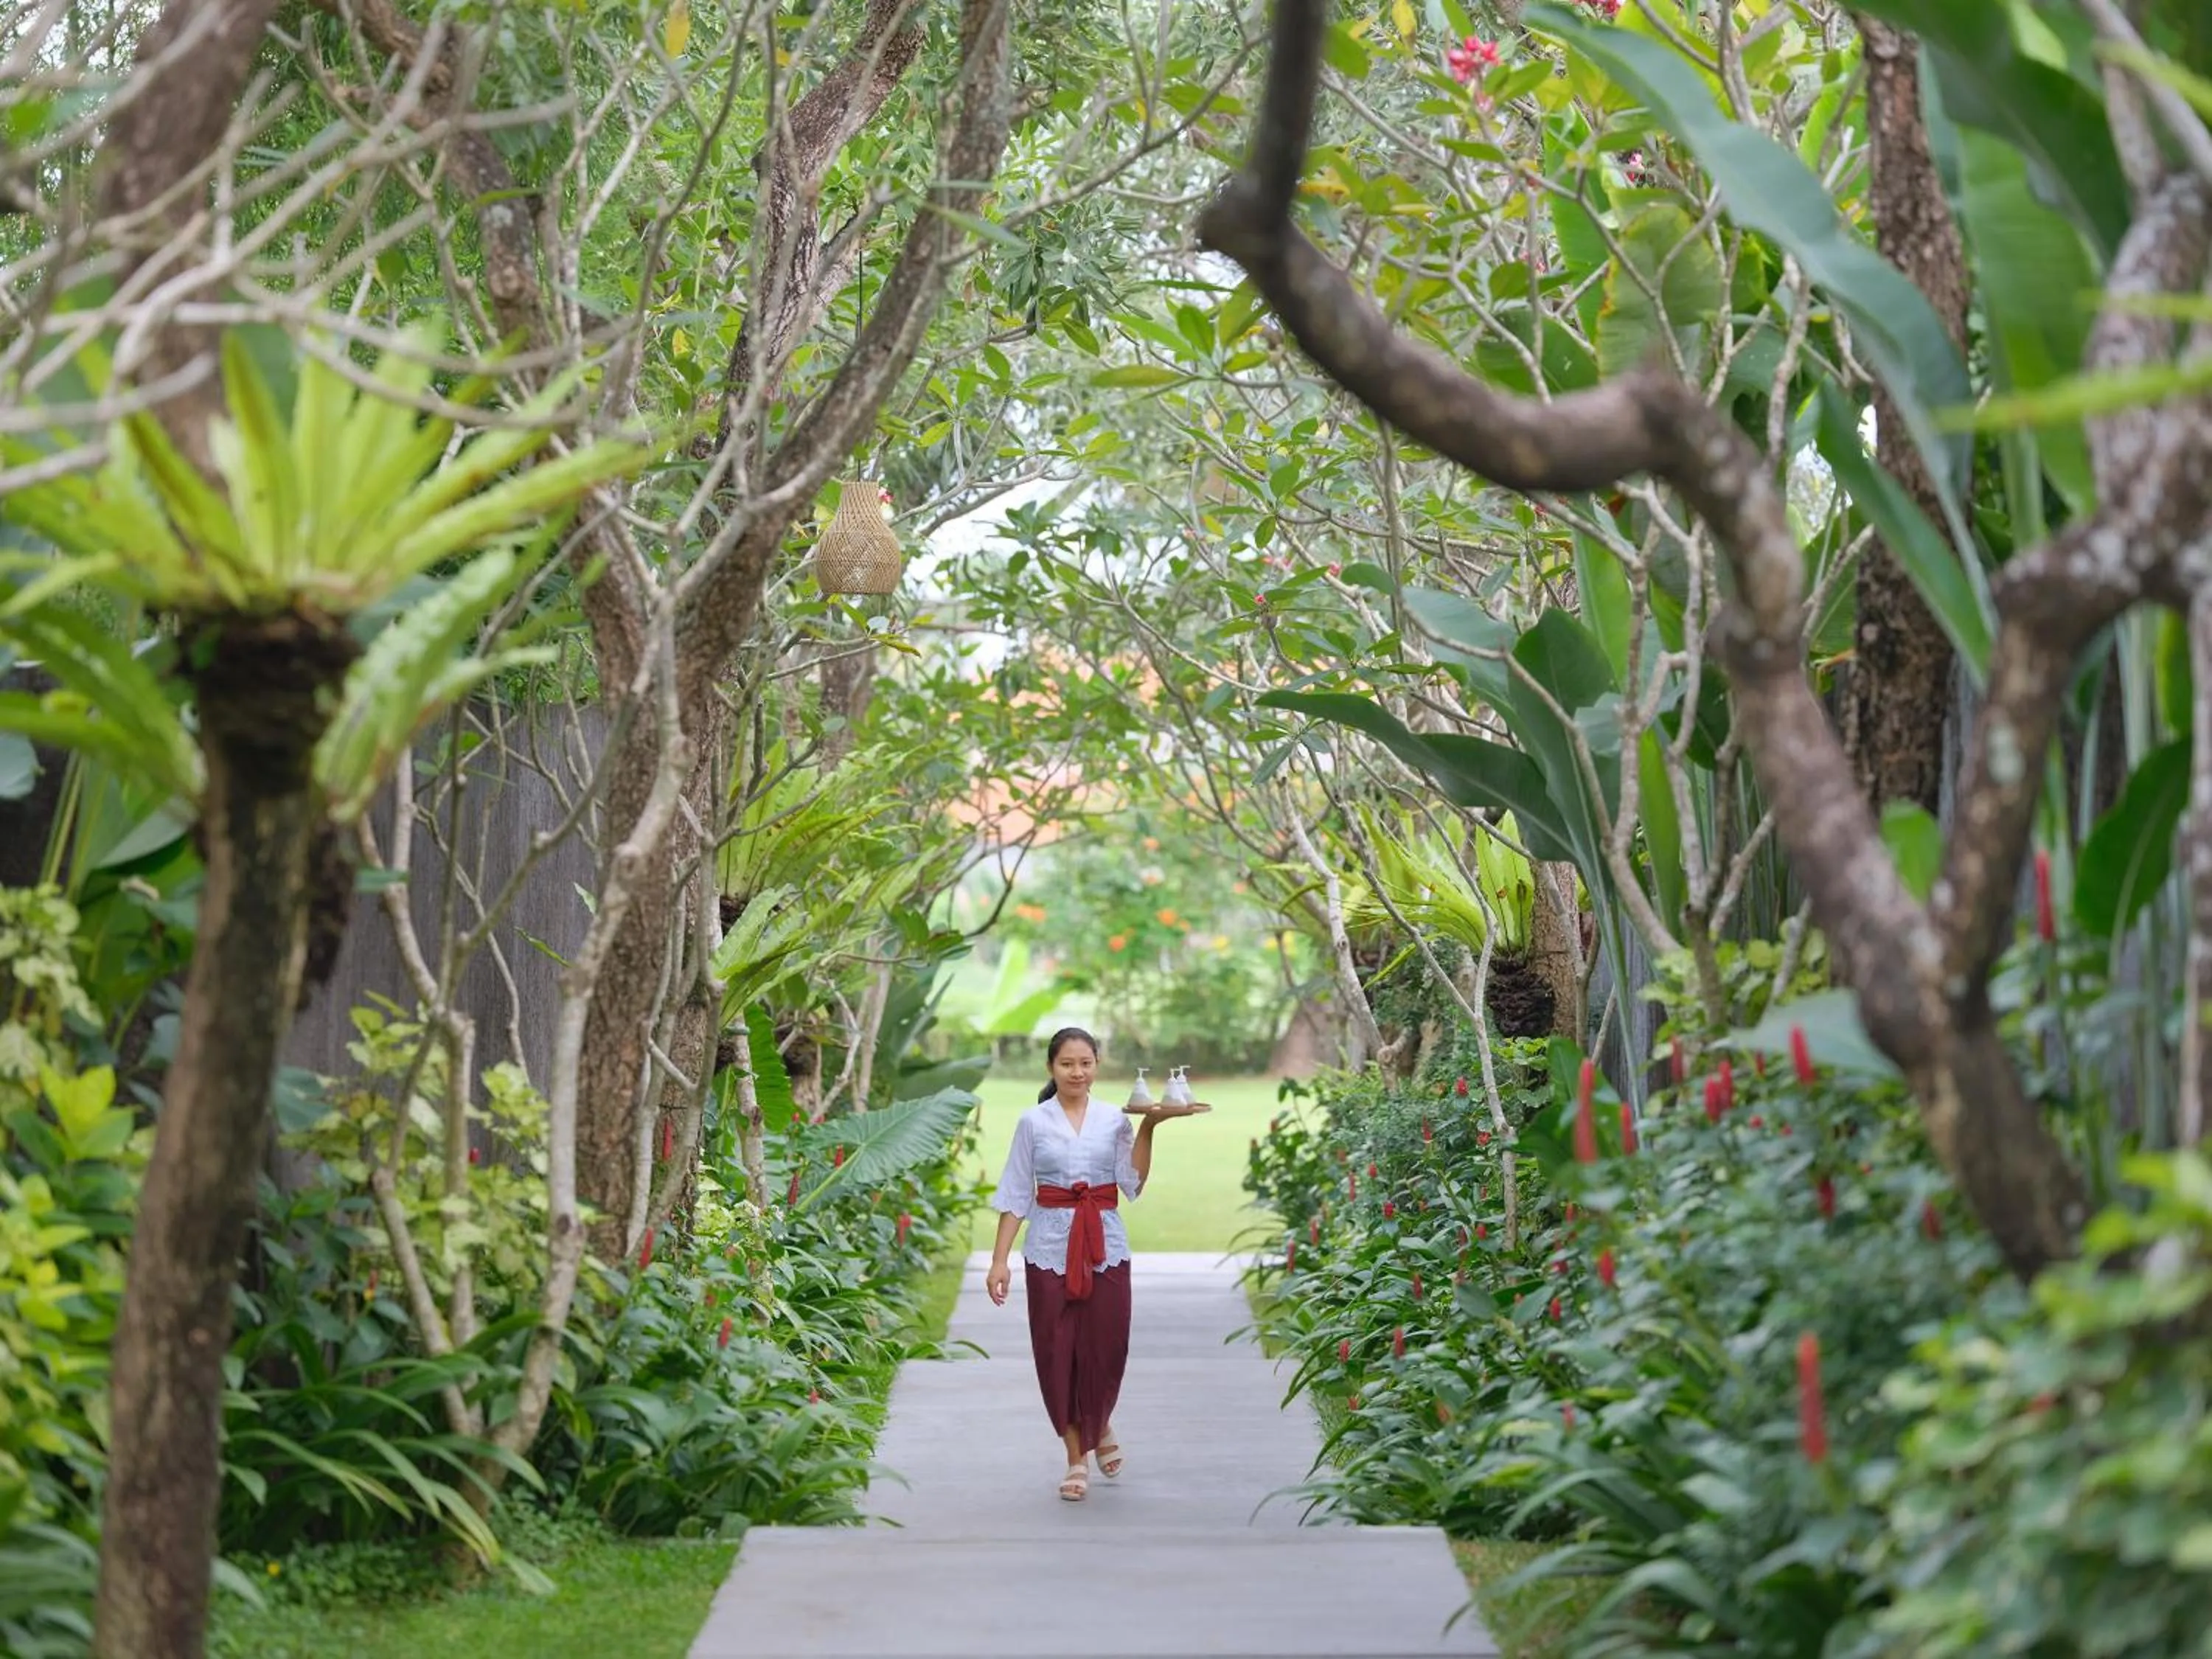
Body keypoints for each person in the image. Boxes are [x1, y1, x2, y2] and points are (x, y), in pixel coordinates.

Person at [986, 1026, 1184, 1501]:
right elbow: (1016, 1194)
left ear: (1097, 1066)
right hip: (1048, 1250)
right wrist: (999, 1263)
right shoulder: (1033, 1122)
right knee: (1057, 1355)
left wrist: (1150, 1127)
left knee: (1106, 1348)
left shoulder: (1115, 1120)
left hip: (1105, 1247)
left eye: (1086, 1063)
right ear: (1052, 1069)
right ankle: (1076, 1457)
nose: (1077, 1072)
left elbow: (1131, 1184)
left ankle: (1100, 1419)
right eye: (1067, 1064)